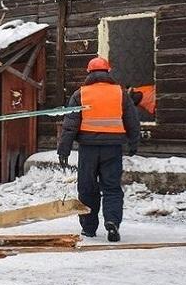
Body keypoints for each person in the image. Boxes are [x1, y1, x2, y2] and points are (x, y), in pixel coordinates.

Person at [57, 57, 141, 242]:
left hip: (88, 149)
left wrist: (64, 150)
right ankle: (112, 222)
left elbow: (70, 125)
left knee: (87, 189)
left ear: (89, 73)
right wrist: (134, 142)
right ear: (108, 72)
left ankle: (88, 228)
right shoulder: (120, 93)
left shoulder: (81, 94)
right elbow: (132, 120)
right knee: (111, 188)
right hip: (113, 148)